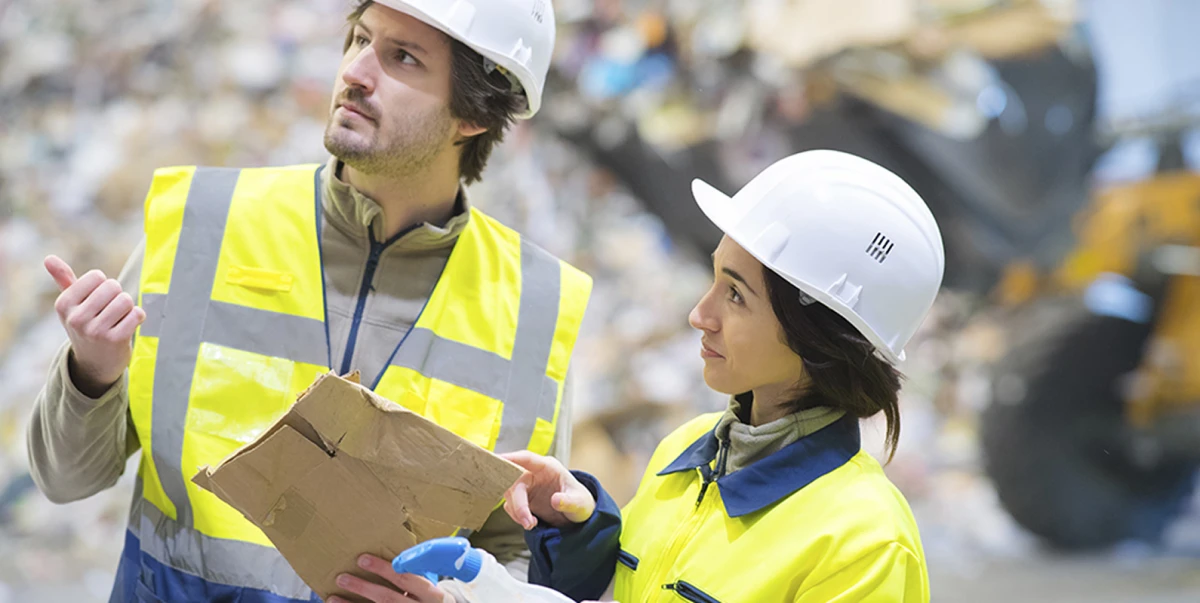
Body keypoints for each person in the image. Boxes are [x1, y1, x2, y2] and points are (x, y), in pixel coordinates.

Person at [26, 1, 592, 602]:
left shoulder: (533, 307)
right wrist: (91, 373)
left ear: (473, 114)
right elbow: (64, 480)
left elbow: (511, 552)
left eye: (402, 57)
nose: (356, 71)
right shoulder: (206, 225)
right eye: (359, 39)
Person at [500, 149, 945, 602]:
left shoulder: (866, 545)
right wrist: (577, 527)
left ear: (816, 334)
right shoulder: (686, 452)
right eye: (714, 280)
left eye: (735, 295)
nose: (699, 315)